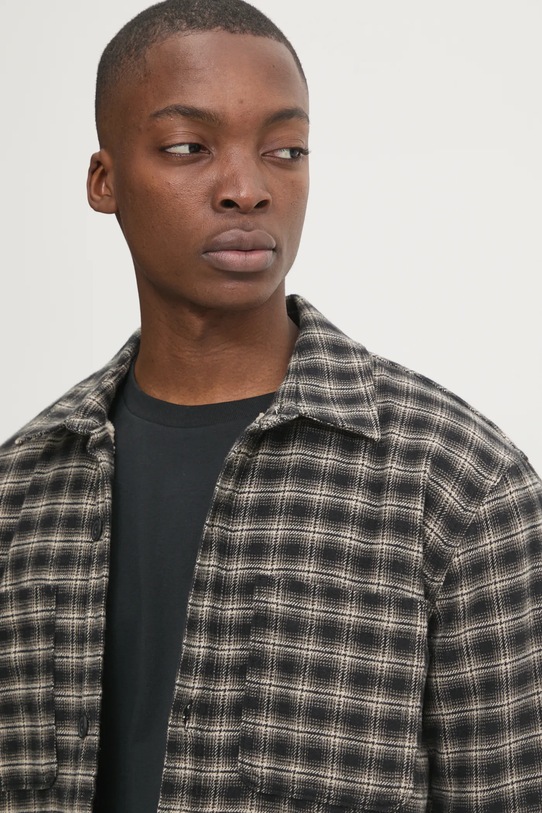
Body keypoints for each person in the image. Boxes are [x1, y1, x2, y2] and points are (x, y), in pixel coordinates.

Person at [0, 0, 541, 811]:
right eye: (189, 148)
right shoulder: (19, 491)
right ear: (104, 180)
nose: (247, 190)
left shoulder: (462, 491)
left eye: (285, 150)